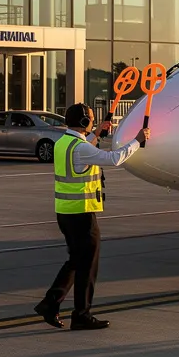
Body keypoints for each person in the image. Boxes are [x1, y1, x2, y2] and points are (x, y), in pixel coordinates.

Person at [34, 103, 147, 330]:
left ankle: (51, 303)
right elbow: (114, 158)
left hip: (65, 212)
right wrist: (138, 140)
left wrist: (96, 134)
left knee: (76, 261)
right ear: (84, 122)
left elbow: (82, 150)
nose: (94, 122)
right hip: (82, 214)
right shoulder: (81, 147)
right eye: (92, 120)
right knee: (88, 266)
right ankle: (81, 314)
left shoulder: (63, 143)